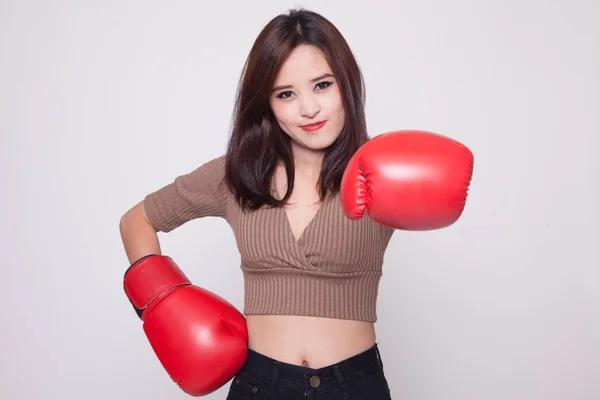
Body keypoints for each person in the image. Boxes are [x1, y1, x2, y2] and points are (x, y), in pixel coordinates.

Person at [119, 8, 473, 400]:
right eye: (286, 94)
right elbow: (137, 220)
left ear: (346, 85)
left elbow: (445, 196)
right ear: (266, 104)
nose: (308, 108)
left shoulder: (381, 168)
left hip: (354, 386)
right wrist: (166, 305)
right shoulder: (236, 174)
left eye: (322, 85)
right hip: (260, 385)